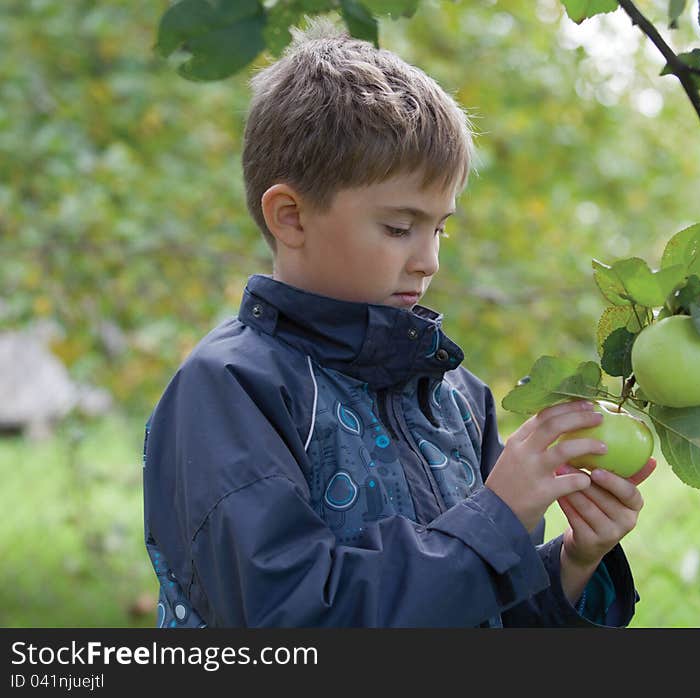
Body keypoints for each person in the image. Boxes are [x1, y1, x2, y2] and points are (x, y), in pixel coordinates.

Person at [142, 16, 656, 628]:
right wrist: (496, 518)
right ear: (291, 217)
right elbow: (289, 621)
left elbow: (483, 611)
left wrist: (572, 566)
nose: (429, 259)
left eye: (439, 227)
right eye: (398, 227)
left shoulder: (458, 399)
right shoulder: (229, 390)